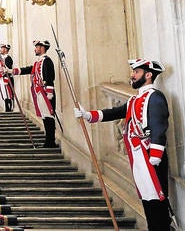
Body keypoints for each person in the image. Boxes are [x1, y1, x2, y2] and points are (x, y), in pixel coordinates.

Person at [74, 58, 171, 230]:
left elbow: (158, 124)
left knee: (157, 200)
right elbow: (115, 112)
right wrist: (88, 115)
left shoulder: (154, 97)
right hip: (139, 157)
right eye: (133, 72)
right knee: (148, 199)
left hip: (151, 155)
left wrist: (156, 154)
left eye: (136, 72)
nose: (132, 76)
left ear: (148, 75)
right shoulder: (135, 100)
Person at [9, 40, 57, 147]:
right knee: (45, 116)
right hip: (39, 92)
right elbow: (28, 69)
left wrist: (49, 92)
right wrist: (11, 71)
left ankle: (51, 141)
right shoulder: (37, 63)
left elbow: (50, 77)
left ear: (42, 48)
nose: (35, 49)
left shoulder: (47, 61)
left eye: (37, 47)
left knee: (49, 116)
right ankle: (48, 141)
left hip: (46, 93)